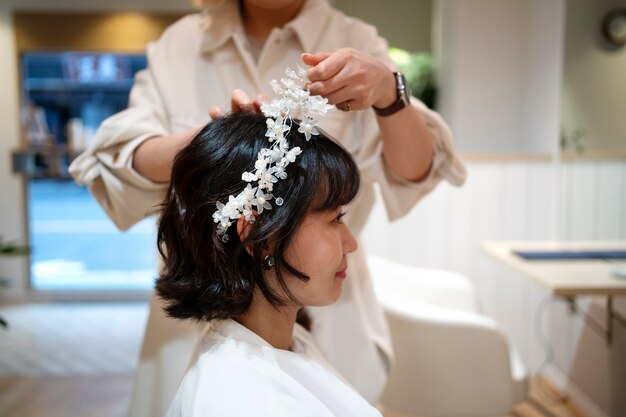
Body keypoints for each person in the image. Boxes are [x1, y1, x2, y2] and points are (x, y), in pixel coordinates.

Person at [69, 0, 467, 415]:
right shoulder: (181, 45)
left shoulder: (356, 40)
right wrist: (216, 144)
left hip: (322, 309)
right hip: (208, 312)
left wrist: (389, 92)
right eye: (334, 217)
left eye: (338, 214)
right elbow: (118, 159)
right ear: (251, 229)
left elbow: (417, 170)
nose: (347, 239)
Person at [157, 104, 380, 416]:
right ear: (257, 235)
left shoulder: (288, 339)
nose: (351, 243)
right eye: (334, 219)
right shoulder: (238, 398)